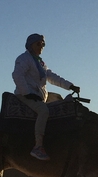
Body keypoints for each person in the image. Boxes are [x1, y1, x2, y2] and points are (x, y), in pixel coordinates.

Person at [12, 33, 80, 161]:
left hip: (38, 96)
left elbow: (51, 77)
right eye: (39, 43)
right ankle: (38, 146)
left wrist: (70, 86)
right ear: (31, 44)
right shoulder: (24, 59)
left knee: (59, 103)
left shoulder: (40, 62)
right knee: (43, 111)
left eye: (43, 44)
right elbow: (17, 75)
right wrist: (27, 93)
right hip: (25, 95)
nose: (41, 46)